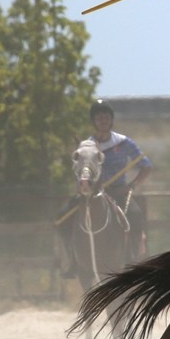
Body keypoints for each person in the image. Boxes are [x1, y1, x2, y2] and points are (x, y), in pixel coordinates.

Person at [60, 99, 153, 277]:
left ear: (111, 119)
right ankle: (73, 260)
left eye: (106, 117)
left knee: (135, 215)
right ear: (93, 121)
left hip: (118, 192)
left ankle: (133, 259)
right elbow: (78, 169)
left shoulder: (123, 142)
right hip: (92, 193)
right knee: (62, 218)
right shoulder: (86, 146)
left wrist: (132, 185)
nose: (103, 120)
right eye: (99, 117)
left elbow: (146, 166)